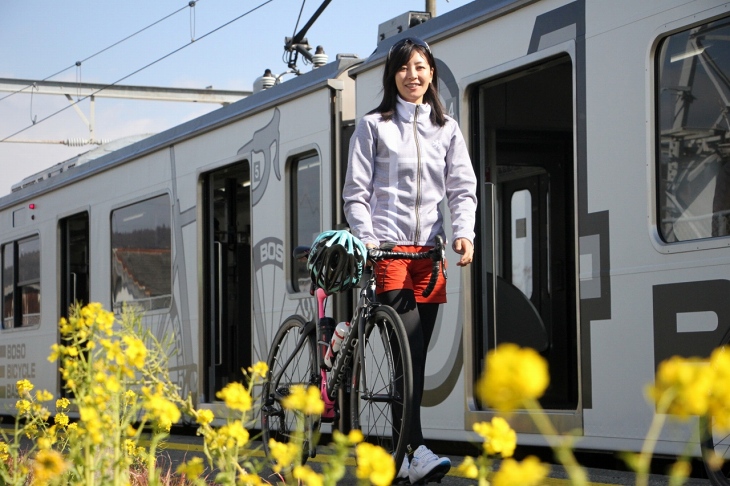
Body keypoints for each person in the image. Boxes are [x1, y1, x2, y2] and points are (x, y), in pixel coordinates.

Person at [343, 36, 477, 484]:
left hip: (429, 256)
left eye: (420, 67)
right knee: (410, 351)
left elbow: (461, 187)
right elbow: (356, 194)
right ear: (392, 75)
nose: (412, 75)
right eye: (403, 68)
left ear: (431, 73)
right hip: (390, 255)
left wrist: (463, 232)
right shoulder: (373, 126)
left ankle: (401, 455)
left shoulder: (447, 129)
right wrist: (367, 238)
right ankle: (417, 450)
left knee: (414, 363)